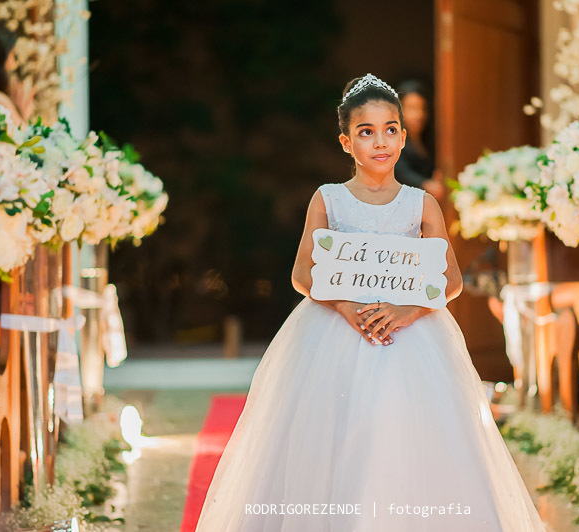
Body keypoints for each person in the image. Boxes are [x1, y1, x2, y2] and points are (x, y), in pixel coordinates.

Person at [194, 74, 544, 531]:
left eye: (391, 128)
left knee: (406, 436)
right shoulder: (329, 200)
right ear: (346, 142)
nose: (381, 141)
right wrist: (343, 306)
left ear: (403, 135)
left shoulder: (421, 205)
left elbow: (450, 280)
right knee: (336, 438)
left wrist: (407, 312)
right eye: (366, 131)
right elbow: (303, 273)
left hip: (412, 338)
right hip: (335, 333)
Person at [395, 80, 445, 201]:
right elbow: (400, 171)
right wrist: (425, 184)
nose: (419, 114)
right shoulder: (392, 140)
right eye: (412, 108)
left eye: (422, 108)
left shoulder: (429, 139)